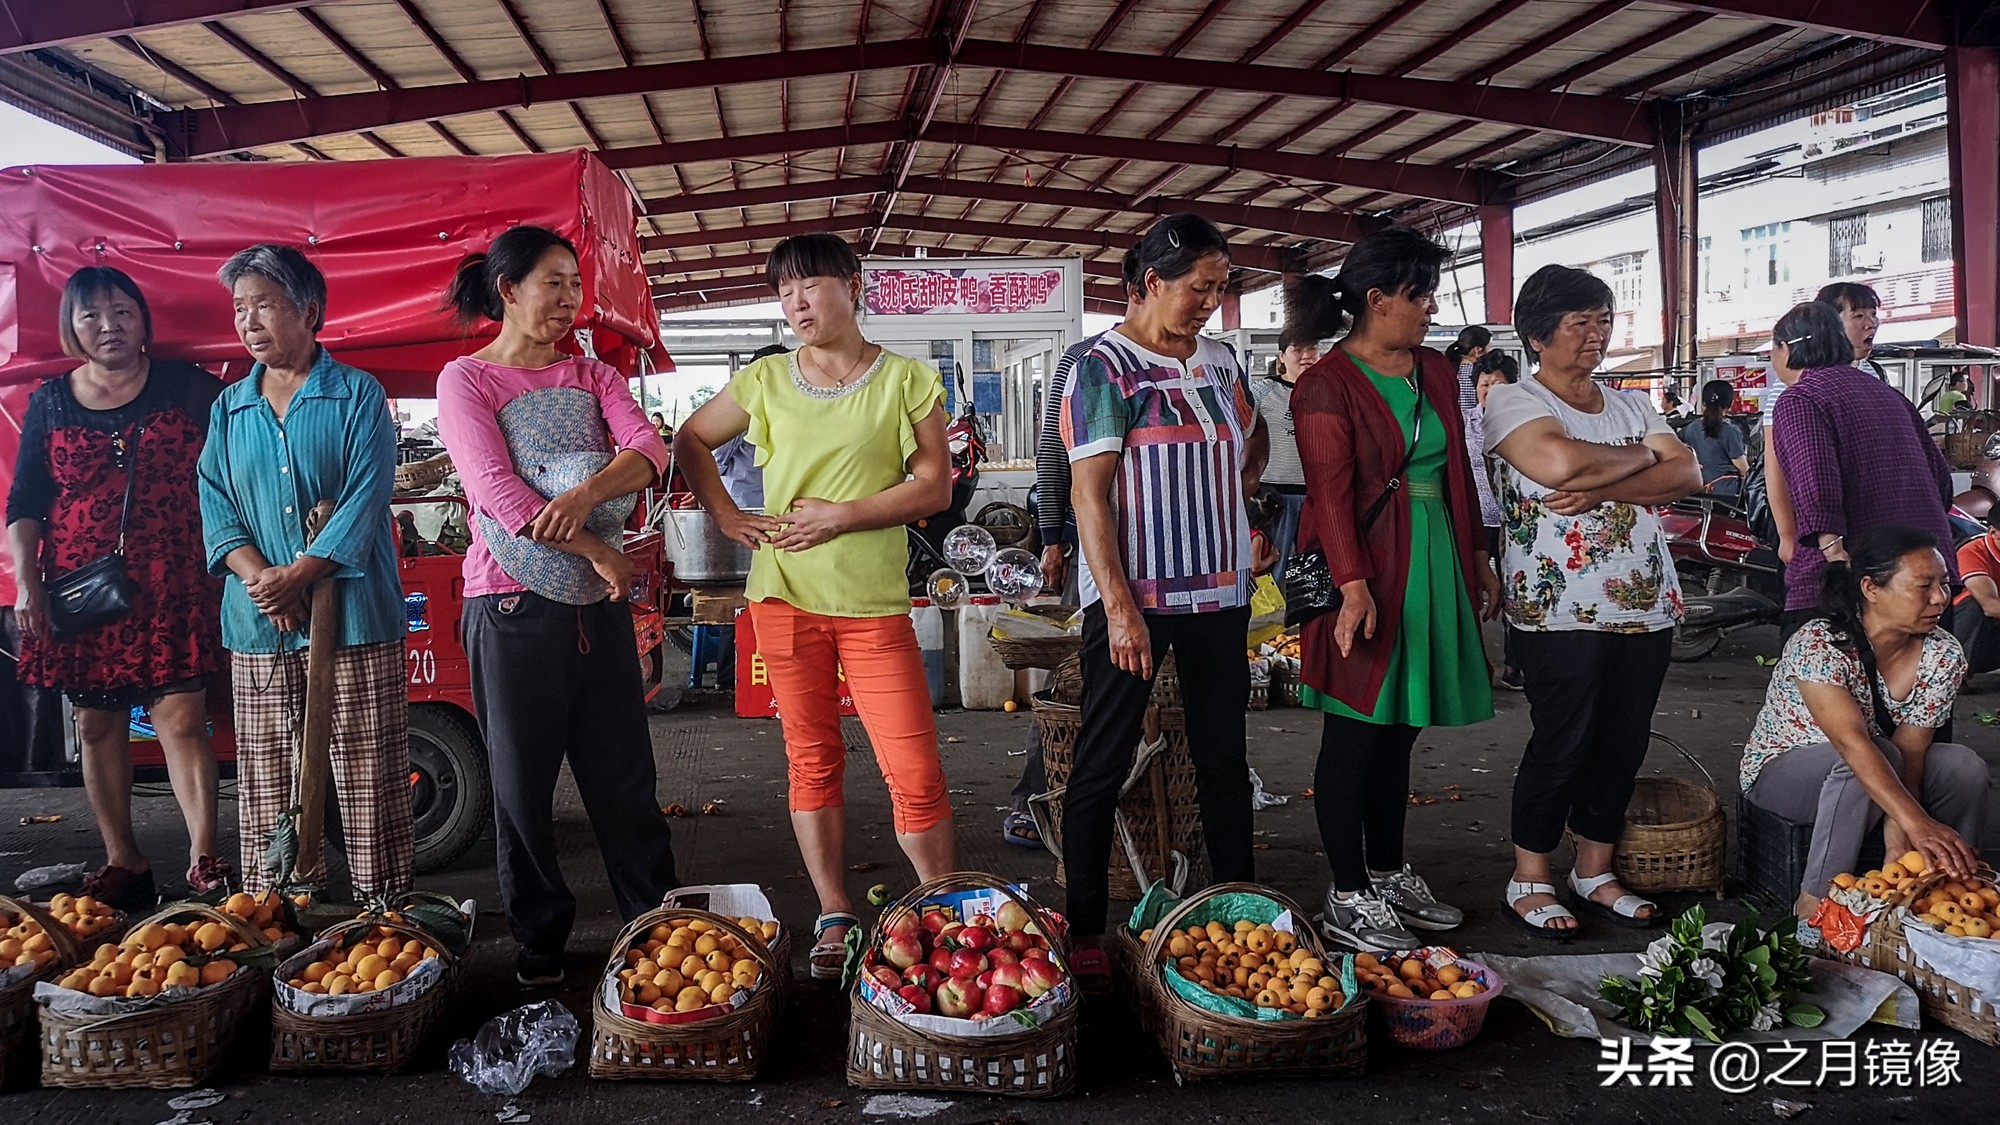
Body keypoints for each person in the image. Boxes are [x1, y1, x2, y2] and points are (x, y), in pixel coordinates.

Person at [675, 233, 957, 981]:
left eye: (811, 285)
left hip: (872, 606)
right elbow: (691, 440)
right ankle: (835, 909)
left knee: (915, 768)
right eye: (784, 292)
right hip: (784, 601)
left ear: (854, 284)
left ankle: (941, 907)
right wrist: (729, 518)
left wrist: (844, 514)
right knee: (812, 760)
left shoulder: (906, 379)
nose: (797, 302)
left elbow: (935, 487)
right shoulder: (765, 379)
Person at [435, 225, 681, 987]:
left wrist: (583, 495)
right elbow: (495, 492)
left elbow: (650, 449)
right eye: (553, 282)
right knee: (521, 780)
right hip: (509, 608)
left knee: (623, 774)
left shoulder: (594, 374)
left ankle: (655, 918)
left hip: (593, 605)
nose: (569, 298)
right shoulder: (465, 380)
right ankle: (539, 934)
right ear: (507, 291)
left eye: (575, 283)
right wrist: (597, 546)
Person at [1060, 213, 1269, 992]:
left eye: (1220, 287)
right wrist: (1117, 604)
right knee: (1102, 759)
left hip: (1220, 593)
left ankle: (1242, 903)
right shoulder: (1101, 367)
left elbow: (1252, 439)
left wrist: (1241, 498)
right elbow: (1090, 495)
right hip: (1136, 599)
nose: (1210, 301)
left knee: (1224, 755)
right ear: (1150, 282)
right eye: (1198, 287)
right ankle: (1084, 922)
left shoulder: (1219, 361)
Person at [1286, 226, 1499, 951]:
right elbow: (1331, 496)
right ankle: (1348, 891)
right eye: (1422, 295)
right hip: (1372, 570)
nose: (1433, 309)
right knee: (1355, 730)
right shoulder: (1325, 385)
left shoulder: (1437, 370)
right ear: (1378, 300)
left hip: (1434, 557)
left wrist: (1477, 554)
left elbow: (1461, 469)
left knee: (1401, 729)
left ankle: (1387, 869)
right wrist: (1352, 586)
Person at [1485, 264, 1701, 938]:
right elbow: (1555, 465)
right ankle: (1529, 875)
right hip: (1557, 607)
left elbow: (1686, 472)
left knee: (1621, 741)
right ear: (1537, 334)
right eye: (1580, 321)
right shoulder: (1514, 401)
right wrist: (1641, 460)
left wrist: (1607, 478)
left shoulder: (1631, 403)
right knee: (1562, 740)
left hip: (1644, 603)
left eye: (1603, 319)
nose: (1596, 334)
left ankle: (1595, 869)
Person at [6, 267, 227, 911]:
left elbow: (230, 474)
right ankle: (124, 861)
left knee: (181, 719)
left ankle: (203, 862)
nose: (108, 326)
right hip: (80, 587)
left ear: (143, 319)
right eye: (91, 316)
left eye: (122, 312)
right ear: (71, 326)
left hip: (177, 578)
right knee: (97, 724)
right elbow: (26, 499)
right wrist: (28, 583)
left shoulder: (191, 389)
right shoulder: (51, 400)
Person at [198, 244, 413, 899]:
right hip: (258, 623)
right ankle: (280, 906)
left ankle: (385, 910)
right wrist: (264, 578)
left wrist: (302, 575)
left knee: (366, 770)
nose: (248, 320)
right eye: (240, 308)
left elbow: (366, 495)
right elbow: (214, 498)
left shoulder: (356, 394)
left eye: (264, 303)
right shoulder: (229, 407)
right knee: (267, 776)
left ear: (309, 310)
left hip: (353, 617)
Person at [1741, 526, 1985, 930]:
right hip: (1783, 777)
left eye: (1943, 584)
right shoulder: (1819, 643)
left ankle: (1947, 888)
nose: (1940, 598)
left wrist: (1898, 841)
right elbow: (1853, 746)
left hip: (1875, 773)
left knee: (1964, 767)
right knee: (1871, 754)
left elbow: (1912, 752)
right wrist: (1917, 823)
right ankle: (1814, 907)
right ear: (1871, 588)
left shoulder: (1943, 653)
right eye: (1923, 586)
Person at [1765, 301, 1954, 646]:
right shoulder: (1892, 396)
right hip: (1928, 584)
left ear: (1786, 348)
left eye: (1772, 349)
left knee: (1823, 693)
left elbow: (1816, 485)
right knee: (1918, 695)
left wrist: (1834, 556)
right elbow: (1942, 485)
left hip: (1855, 587)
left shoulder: (1799, 399)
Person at [1765, 282, 1887, 566]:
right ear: (1829, 322)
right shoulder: (1791, 388)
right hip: (1818, 535)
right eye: (1858, 316)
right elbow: (1777, 468)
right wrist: (1787, 535)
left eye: (1873, 315)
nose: (1871, 324)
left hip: (1869, 524)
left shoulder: (1874, 375)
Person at [1472, 351, 1523, 691]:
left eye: (1498, 384)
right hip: (1476, 521)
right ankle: (1474, 666)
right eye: (1484, 384)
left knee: (1513, 592)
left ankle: (1516, 666)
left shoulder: (1525, 425)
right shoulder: (1464, 424)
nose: (1489, 390)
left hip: (1513, 525)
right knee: (1473, 592)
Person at [1254, 325, 1323, 571]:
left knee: (1313, 571)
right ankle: (1272, 612)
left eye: (1312, 348)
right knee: (1273, 570)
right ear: (1282, 356)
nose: (1306, 355)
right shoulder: (1261, 391)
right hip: (1274, 498)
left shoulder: (1330, 391)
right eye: (1298, 349)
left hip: (1319, 496)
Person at [1678, 380, 1750, 497]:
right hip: (1728, 496)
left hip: (1696, 491)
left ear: (1703, 404)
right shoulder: (1731, 431)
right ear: (1730, 405)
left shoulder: (1690, 428)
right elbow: (1743, 469)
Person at [1953, 517, 2000, 673]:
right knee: (1973, 603)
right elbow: (1990, 605)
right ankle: (1957, 673)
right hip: (1971, 634)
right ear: (1993, 532)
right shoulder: (1972, 551)